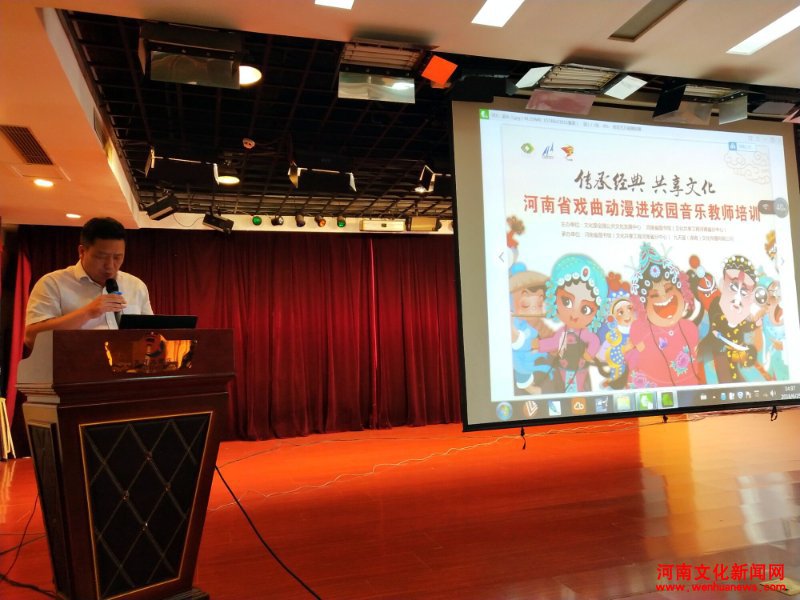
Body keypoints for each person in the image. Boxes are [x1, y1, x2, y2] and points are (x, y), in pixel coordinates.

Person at [24, 217, 153, 348]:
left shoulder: (136, 286)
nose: (110, 265)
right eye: (101, 257)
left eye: (117, 257)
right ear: (82, 251)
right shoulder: (53, 283)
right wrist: (87, 313)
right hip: (72, 361)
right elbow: (31, 338)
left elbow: (152, 335)